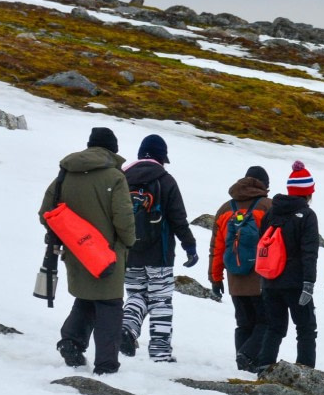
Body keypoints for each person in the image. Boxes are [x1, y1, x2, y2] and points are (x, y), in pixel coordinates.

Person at [39, 127, 136, 375]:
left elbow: (45, 212)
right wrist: (128, 241)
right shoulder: (115, 176)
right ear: (113, 149)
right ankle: (106, 364)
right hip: (107, 252)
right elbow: (123, 218)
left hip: (75, 250)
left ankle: (71, 341)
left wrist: (71, 232)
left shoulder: (66, 172)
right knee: (110, 305)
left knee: (86, 297)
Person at [119, 134, 197, 363]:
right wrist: (189, 246)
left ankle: (127, 328)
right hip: (160, 255)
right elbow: (178, 219)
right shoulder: (166, 180)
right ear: (161, 157)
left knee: (135, 295)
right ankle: (160, 353)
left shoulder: (122, 178)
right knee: (161, 301)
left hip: (129, 251)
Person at [254, 161, 320, 370]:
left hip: (270, 279)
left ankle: (264, 367)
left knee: (274, 327)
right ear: (308, 192)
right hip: (296, 283)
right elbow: (309, 252)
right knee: (306, 328)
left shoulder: (271, 212)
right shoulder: (307, 216)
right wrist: (309, 283)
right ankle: (305, 372)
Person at [208, 165, 272, 372]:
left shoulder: (226, 209)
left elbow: (216, 248)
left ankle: (242, 366)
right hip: (261, 277)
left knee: (244, 324)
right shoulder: (267, 206)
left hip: (235, 276)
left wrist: (215, 278)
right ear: (265, 185)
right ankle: (248, 357)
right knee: (266, 322)